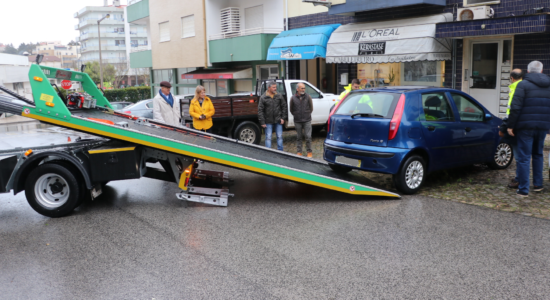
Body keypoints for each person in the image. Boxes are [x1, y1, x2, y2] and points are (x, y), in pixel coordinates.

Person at [507, 61, 550, 197]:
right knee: (538, 154)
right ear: (542, 71)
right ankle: (538, 185)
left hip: (525, 126)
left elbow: (515, 107)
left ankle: (524, 189)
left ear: (528, 71)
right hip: (542, 126)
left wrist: (510, 126)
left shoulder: (522, 85)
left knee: (524, 157)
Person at [499, 69, 523, 189]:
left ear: (512, 78)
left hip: (515, 125)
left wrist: (508, 126)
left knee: (519, 155)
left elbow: (513, 110)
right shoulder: (523, 86)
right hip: (525, 125)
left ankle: (519, 179)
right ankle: (521, 178)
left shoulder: (516, 88)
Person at [258, 81, 287, 151]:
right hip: (268, 121)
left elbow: (284, 107)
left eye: (276, 87)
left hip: (278, 120)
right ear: (269, 88)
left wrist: (283, 118)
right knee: (268, 137)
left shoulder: (279, 96)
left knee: (279, 136)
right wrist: (262, 122)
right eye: (273, 87)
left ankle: (280, 151)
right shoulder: (263, 97)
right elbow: (260, 110)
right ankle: (268, 152)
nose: (275, 88)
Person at [290, 83, 314, 157]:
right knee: (299, 137)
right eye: (301, 88)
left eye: (304, 88)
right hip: (297, 120)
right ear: (297, 89)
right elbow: (291, 109)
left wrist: (307, 114)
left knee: (308, 136)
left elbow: (311, 108)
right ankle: (299, 151)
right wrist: (296, 114)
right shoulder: (293, 98)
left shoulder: (308, 97)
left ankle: (309, 151)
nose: (303, 90)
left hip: (307, 119)